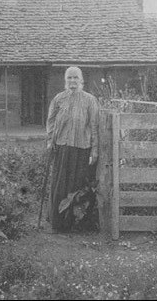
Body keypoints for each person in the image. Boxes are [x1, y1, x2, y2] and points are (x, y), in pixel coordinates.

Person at [45, 66, 100, 232]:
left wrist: (94, 150)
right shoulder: (59, 99)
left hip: (82, 149)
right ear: (65, 81)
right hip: (62, 147)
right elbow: (50, 121)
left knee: (77, 187)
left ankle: (75, 224)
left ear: (82, 80)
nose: (72, 81)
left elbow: (94, 127)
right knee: (59, 184)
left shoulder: (90, 100)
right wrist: (50, 140)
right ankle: (57, 223)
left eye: (76, 78)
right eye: (69, 78)